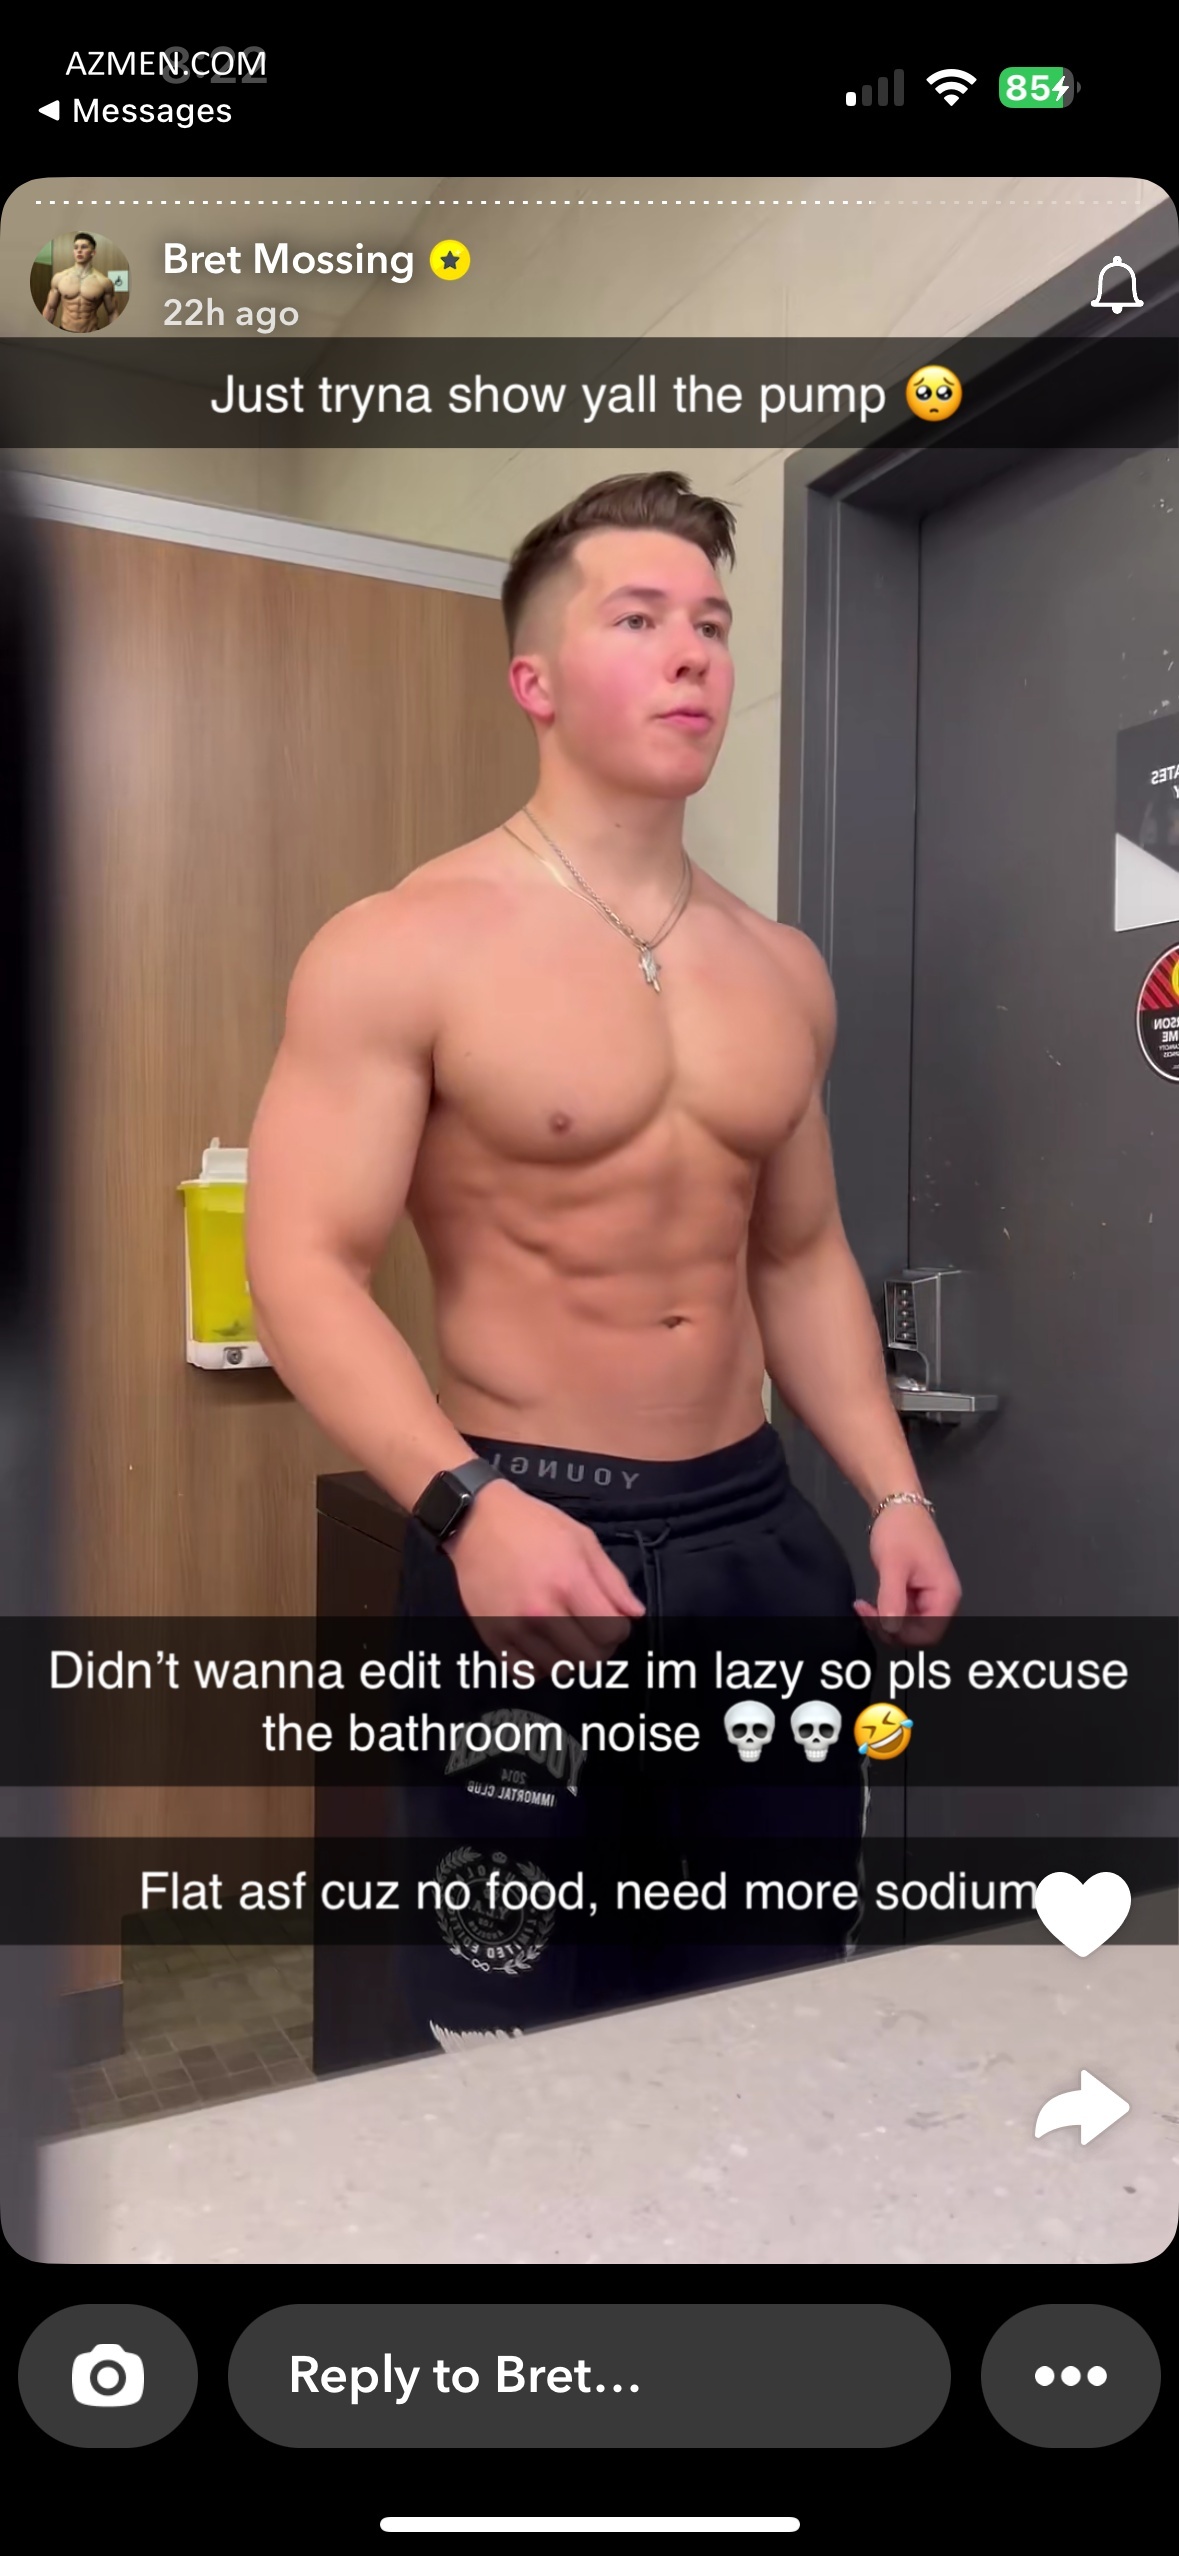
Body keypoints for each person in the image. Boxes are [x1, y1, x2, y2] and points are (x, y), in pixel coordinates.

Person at [246, 470, 962, 2051]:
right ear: (535, 680)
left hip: (755, 1545)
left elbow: (799, 1257)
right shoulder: (404, 943)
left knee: (764, 2004)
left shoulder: (780, 969)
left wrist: (891, 1491)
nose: (692, 651)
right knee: (511, 2034)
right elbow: (298, 1268)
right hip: (522, 1540)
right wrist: (463, 1508)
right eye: (637, 619)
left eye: (709, 621)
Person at [43, 235, 116, 333]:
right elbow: (50, 308)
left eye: (84, 247)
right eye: (76, 247)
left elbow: (112, 312)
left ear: (93, 252)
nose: (79, 250)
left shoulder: (104, 282)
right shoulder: (59, 278)